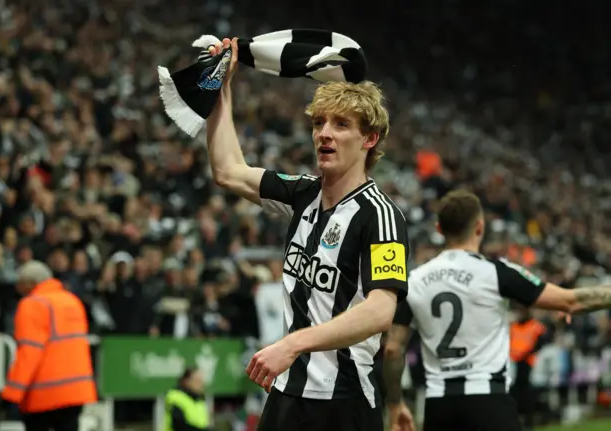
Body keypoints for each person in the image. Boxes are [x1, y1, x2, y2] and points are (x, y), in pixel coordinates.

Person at [206, 38, 409, 431]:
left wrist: (293, 343)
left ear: (369, 139)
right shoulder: (302, 194)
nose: (324, 134)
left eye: (340, 124)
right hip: (286, 397)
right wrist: (222, 87)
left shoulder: (380, 216)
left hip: (345, 402)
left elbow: (381, 310)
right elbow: (228, 171)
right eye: (318, 123)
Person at [383, 190, 611, 431]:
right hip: (488, 400)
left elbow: (393, 349)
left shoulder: (414, 280)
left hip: (439, 404)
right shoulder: (496, 272)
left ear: (439, 229)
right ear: (479, 228)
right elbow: (570, 301)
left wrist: (395, 403)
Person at [1, 261, 97, 431]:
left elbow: (29, 352)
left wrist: (12, 393)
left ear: (29, 284)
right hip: (76, 391)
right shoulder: (72, 301)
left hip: (44, 394)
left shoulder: (32, 305)